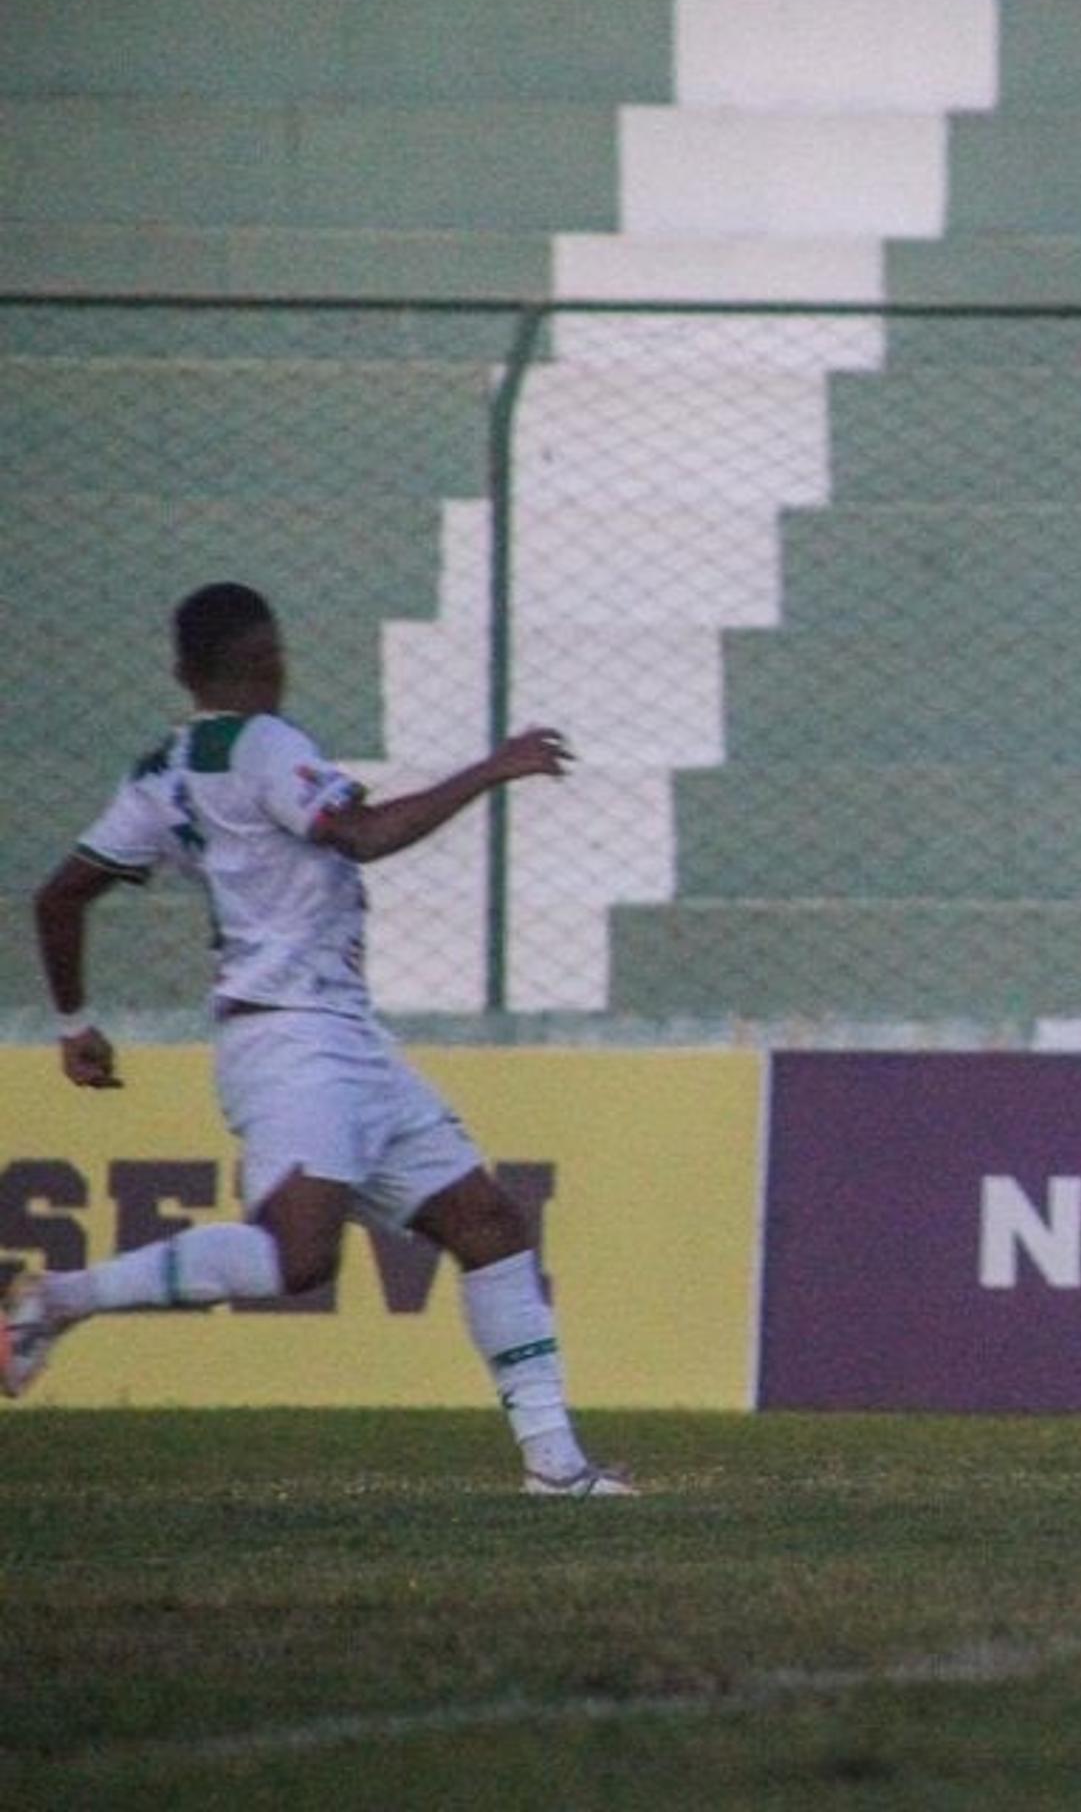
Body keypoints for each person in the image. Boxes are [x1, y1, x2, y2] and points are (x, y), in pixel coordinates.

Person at [2, 581, 633, 1496]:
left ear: (183, 670)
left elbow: (60, 894)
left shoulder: (160, 774)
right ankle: (57, 1302)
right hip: (295, 1042)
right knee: (300, 1256)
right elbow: (363, 834)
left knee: (489, 1226)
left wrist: (73, 1023)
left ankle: (557, 1468)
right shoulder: (267, 743)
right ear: (269, 657)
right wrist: (494, 767)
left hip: (337, 1037)